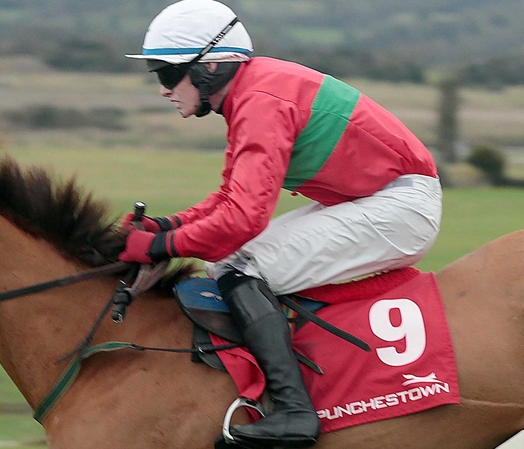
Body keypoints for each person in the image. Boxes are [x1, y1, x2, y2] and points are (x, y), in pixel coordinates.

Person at [119, 0, 442, 448]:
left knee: (242, 268)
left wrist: (160, 247)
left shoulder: (261, 100)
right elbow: (231, 196)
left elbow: (244, 218)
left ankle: (294, 411)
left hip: (400, 207)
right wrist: (166, 225)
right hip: (382, 199)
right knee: (231, 263)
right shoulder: (252, 92)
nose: (162, 88)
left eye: (167, 73)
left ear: (211, 66)